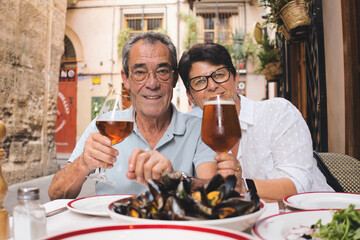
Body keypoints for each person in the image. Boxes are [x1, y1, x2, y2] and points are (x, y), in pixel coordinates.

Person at [48, 32, 217, 200]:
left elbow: (214, 193)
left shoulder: (200, 129)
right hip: (112, 226)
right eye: (140, 72)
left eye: (163, 71)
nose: (152, 83)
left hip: (172, 226)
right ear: (126, 79)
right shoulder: (104, 126)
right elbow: (56, 195)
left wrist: (175, 178)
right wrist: (83, 164)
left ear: (174, 79)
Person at [178, 42, 333, 202]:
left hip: (317, 217)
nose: (212, 86)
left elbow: (299, 184)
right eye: (200, 82)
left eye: (219, 75)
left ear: (236, 78)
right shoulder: (200, 135)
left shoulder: (278, 112)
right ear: (190, 96)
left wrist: (244, 187)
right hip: (253, 224)